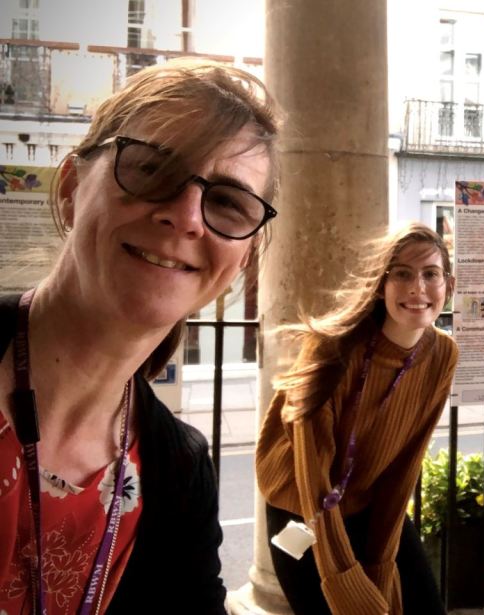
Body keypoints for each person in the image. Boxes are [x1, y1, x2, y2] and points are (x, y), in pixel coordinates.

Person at [0, 59, 280, 614]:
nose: (187, 217)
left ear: (243, 256)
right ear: (72, 188)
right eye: (153, 171)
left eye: (227, 201)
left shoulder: (179, 472)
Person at [256, 222, 459, 615]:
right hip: (299, 508)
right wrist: (345, 580)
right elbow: (313, 480)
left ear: (448, 285)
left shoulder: (443, 355)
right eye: (402, 274)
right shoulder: (332, 350)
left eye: (430, 274)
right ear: (381, 284)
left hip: (365, 502)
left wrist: (381, 565)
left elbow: (405, 467)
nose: (418, 288)